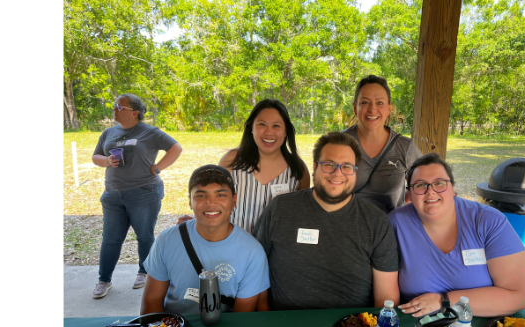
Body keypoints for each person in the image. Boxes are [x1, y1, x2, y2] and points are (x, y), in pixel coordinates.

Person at [253, 131, 400, 310]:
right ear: (315, 166)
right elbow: (255, 269)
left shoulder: (376, 222)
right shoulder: (280, 209)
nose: (337, 173)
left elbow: (386, 297)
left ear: (356, 171)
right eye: (329, 164)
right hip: (284, 325)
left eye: (347, 166)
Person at [389, 153, 525, 318]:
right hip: (418, 326)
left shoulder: (487, 220)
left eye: (439, 183)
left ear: (453, 189)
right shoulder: (396, 223)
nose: (430, 192)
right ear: (410, 194)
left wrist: (444, 302)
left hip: (480, 325)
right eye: (420, 185)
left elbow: (521, 294)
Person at [140, 165, 269, 314]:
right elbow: (152, 301)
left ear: (234, 200)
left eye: (221, 195)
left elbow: (241, 318)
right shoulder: (166, 240)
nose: (211, 203)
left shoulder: (252, 252)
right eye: (201, 195)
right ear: (190, 201)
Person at [91, 94, 183, 299]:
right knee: (111, 238)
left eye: (119, 106)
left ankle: (144, 272)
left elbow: (176, 148)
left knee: (144, 235)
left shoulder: (149, 132)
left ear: (134, 113)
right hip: (113, 194)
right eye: (114, 105)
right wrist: (106, 161)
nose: (114, 108)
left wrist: (158, 167)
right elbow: (96, 156)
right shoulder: (109, 132)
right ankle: (104, 279)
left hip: (144, 192)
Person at [176, 99, 310, 233]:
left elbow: (299, 215)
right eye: (262, 124)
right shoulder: (232, 161)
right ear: (251, 128)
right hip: (234, 248)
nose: (269, 132)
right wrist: (197, 220)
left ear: (286, 131)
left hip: (276, 251)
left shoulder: (298, 169)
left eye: (276, 126)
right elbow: (215, 201)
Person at [341, 75, 422, 214]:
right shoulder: (339, 143)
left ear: (389, 108)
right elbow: (324, 188)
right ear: (355, 108)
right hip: (347, 228)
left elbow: (423, 188)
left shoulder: (404, 147)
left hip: (390, 229)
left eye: (379, 103)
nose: (372, 109)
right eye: (365, 102)